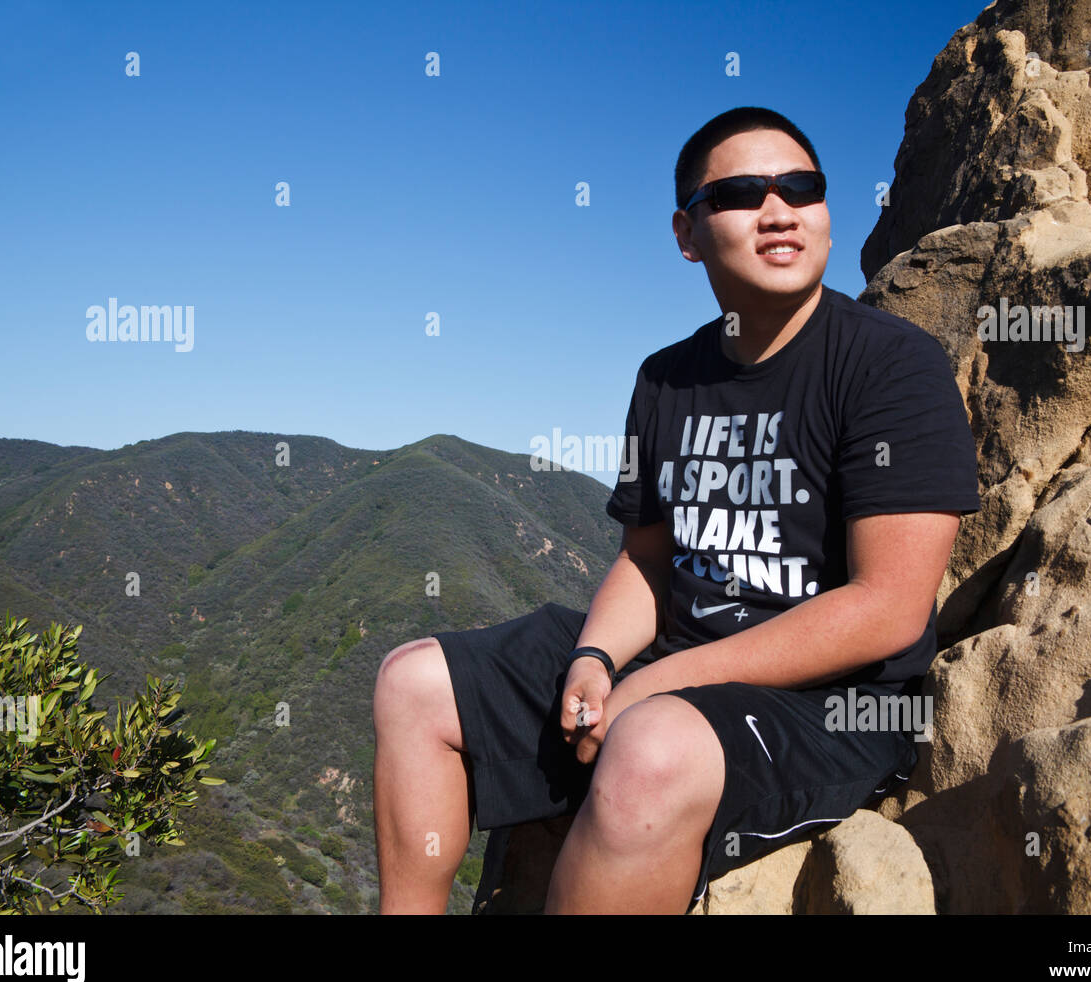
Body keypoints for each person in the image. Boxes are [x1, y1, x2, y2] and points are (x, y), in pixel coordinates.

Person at [372, 106, 980, 915]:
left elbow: (888, 609)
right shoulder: (666, 377)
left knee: (649, 747)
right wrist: (594, 658)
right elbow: (647, 559)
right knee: (412, 681)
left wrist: (656, 684)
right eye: (741, 193)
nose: (779, 210)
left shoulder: (891, 365)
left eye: (801, 187)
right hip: (678, 653)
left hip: (832, 703)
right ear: (687, 233)